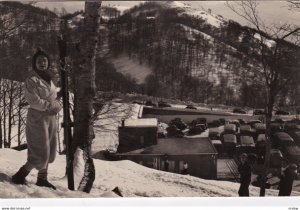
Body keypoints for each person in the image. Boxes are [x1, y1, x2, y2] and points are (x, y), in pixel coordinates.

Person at [11, 49, 62, 190]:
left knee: (50, 149)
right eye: (39, 61)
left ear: (48, 63)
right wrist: (50, 106)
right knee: (40, 150)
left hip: (50, 118)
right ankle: (20, 175)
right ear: (34, 63)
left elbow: (53, 98)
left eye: (44, 61)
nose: (42, 63)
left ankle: (42, 179)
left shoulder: (49, 78)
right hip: (37, 117)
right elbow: (33, 100)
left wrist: (57, 105)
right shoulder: (31, 80)